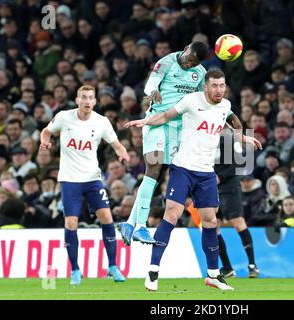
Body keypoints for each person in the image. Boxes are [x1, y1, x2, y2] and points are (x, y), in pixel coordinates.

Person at [124, 68, 261, 291]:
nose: (219, 90)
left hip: (206, 173)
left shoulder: (225, 106)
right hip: (183, 169)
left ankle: (214, 275)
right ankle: (152, 272)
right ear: (205, 86)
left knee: (210, 221)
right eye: (215, 85)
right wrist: (146, 122)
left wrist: (243, 136)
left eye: (222, 85)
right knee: (172, 214)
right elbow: (167, 115)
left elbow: (225, 126)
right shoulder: (191, 100)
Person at [117, 41, 209, 245]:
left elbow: (201, 99)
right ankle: (141, 227)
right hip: (156, 123)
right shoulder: (167, 61)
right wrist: (153, 91)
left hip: (178, 129)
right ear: (185, 49)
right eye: (188, 59)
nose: (188, 65)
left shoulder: (200, 72)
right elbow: (152, 82)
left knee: (156, 177)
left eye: (193, 63)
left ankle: (130, 224)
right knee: (153, 168)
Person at [39, 85, 129, 285]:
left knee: (106, 217)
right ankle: (75, 270)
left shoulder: (102, 122)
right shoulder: (63, 117)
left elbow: (116, 143)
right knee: (71, 222)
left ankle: (113, 266)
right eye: (84, 97)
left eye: (90, 98)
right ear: (77, 100)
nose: (87, 101)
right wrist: (45, 141)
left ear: (95, 101)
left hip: (92, 179)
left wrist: (122, 152)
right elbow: (46, 131)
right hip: (70, 179)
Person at [215, 128, 260, 279]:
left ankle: (252, 265)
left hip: (228, 185)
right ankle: (227, 267)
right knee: (212, 225)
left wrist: (220, 177)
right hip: (210, 186)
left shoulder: (227, 139)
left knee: (238, 222)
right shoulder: (204, 140)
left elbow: (237, 164)